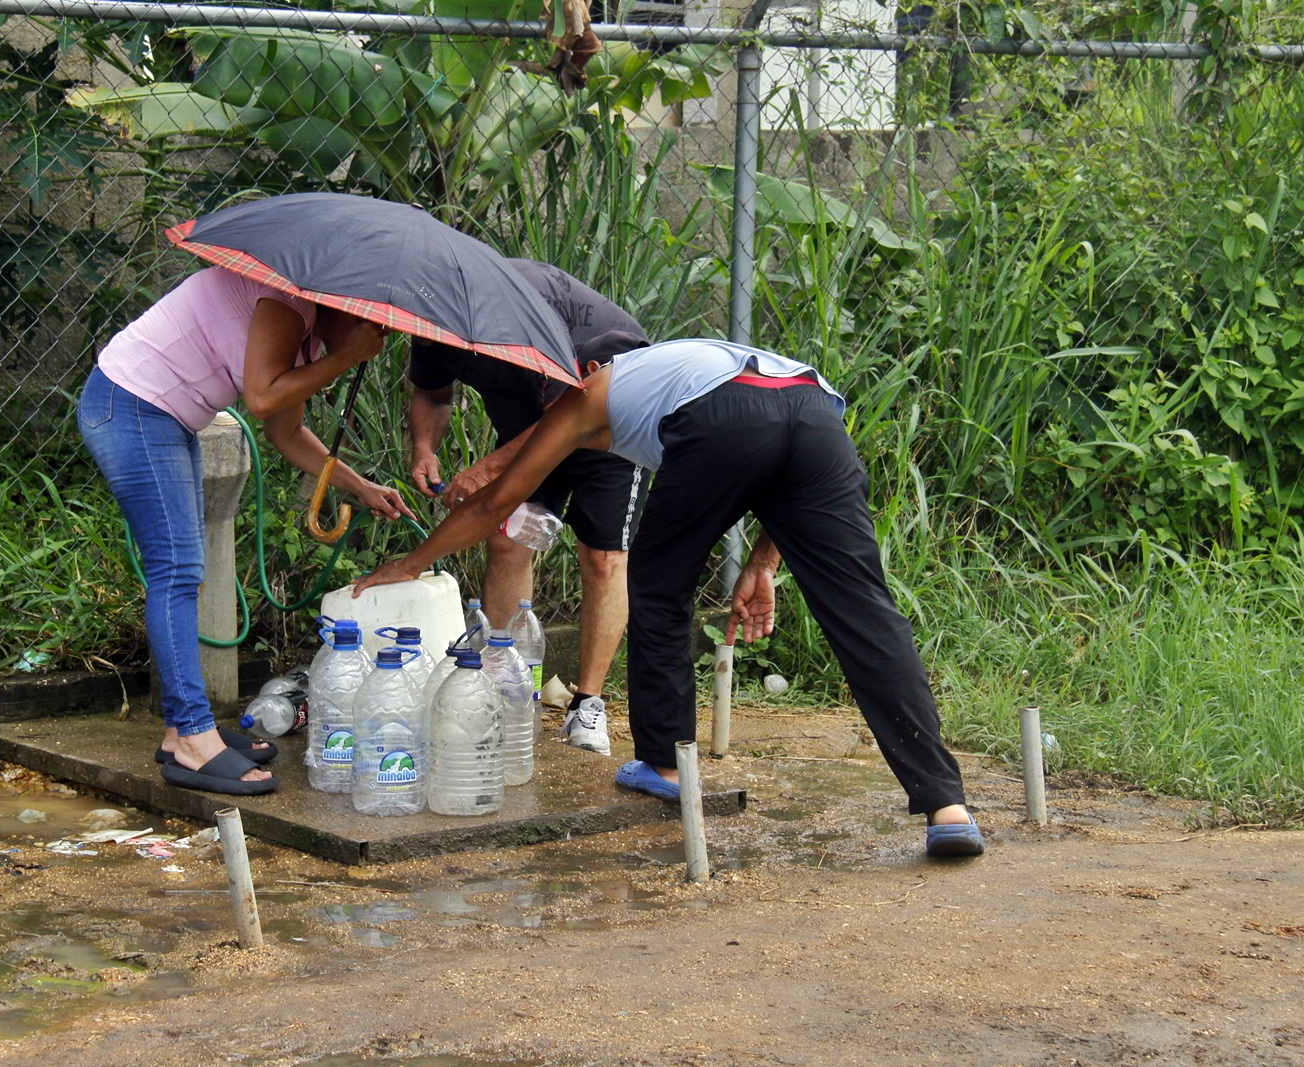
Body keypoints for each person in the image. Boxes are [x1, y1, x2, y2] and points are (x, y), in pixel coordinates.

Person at [356, 337, 985, 856]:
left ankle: (661, 766)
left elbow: (498, 501)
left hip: (726, 416)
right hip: (814, 408)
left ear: (583, 375)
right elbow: (784, 467)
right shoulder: (678, 363)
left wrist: (410, 565)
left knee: (658, 588)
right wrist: (764, 562)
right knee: (864, 611)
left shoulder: (586, 397)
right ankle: (945, 803)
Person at [79, 266, 415, 796]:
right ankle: (192, 738)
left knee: (185, 571)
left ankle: (180, 733)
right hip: (132, 407)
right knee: (177, 571)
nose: (381, 337)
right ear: (344, 307)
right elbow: (261, 398)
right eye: (374, 323)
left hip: (167, 417)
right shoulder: (287, 304)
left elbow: (287, 429)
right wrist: (345, 358)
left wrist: (361, 488)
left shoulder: (304, 337)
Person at [407, 260, 649, 757]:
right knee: (508, 535)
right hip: (532, 419)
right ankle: (504, 687)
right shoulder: (430, 316)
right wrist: (424, 449)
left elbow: (567, 417)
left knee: (603, 557)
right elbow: (431, 393)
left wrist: (485, 471)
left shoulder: (520, 319)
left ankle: (588, 706)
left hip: (607, 410)